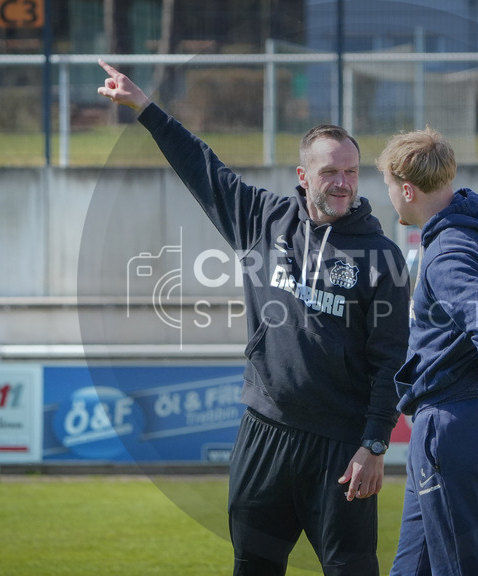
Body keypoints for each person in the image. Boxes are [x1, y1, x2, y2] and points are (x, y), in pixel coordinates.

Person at [97, 60, 410, 576]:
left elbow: (391, 361)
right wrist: (145, 109)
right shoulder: (264, 220)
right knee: (253, 566)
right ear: (303, 175)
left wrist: (374, 445)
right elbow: (202, 166)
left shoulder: (381, 257)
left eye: (351, 171)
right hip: (265, 436)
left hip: (341, 450)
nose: (342, 184)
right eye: (329, 172)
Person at [375, 127, 478, 576]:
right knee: (412, 568)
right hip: (466, 421)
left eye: (389, 187)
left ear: (406, 189)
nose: (390, 197)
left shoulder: (447, 249)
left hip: (453, 423)